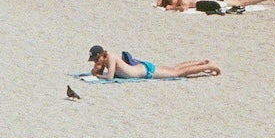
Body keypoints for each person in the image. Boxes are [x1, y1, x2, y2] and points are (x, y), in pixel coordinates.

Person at [88, 45, 220, 79]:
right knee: (174, 68)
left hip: (146, 72)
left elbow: (110, 77)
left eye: (95, 59)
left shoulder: (111, 57)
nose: (95, 62)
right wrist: (97, 69)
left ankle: (209, 66)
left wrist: (99, 76)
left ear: (101, 55)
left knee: (178, 73)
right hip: (143, 68)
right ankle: (202, 63)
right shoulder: (107, 59)